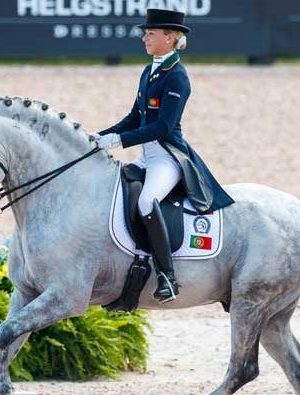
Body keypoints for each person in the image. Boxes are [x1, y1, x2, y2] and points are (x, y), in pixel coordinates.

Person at [94, 9, 234, 303]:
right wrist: (98, 137)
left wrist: (117, 140)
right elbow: (135, 117)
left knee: (147, 201)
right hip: (147, 155)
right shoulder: (149, 71)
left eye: (151, 33)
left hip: (168, 157)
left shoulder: (178, 77)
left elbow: (161, 127)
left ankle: (167, 276)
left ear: (170, 38)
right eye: (146, 32)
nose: (144, 37)